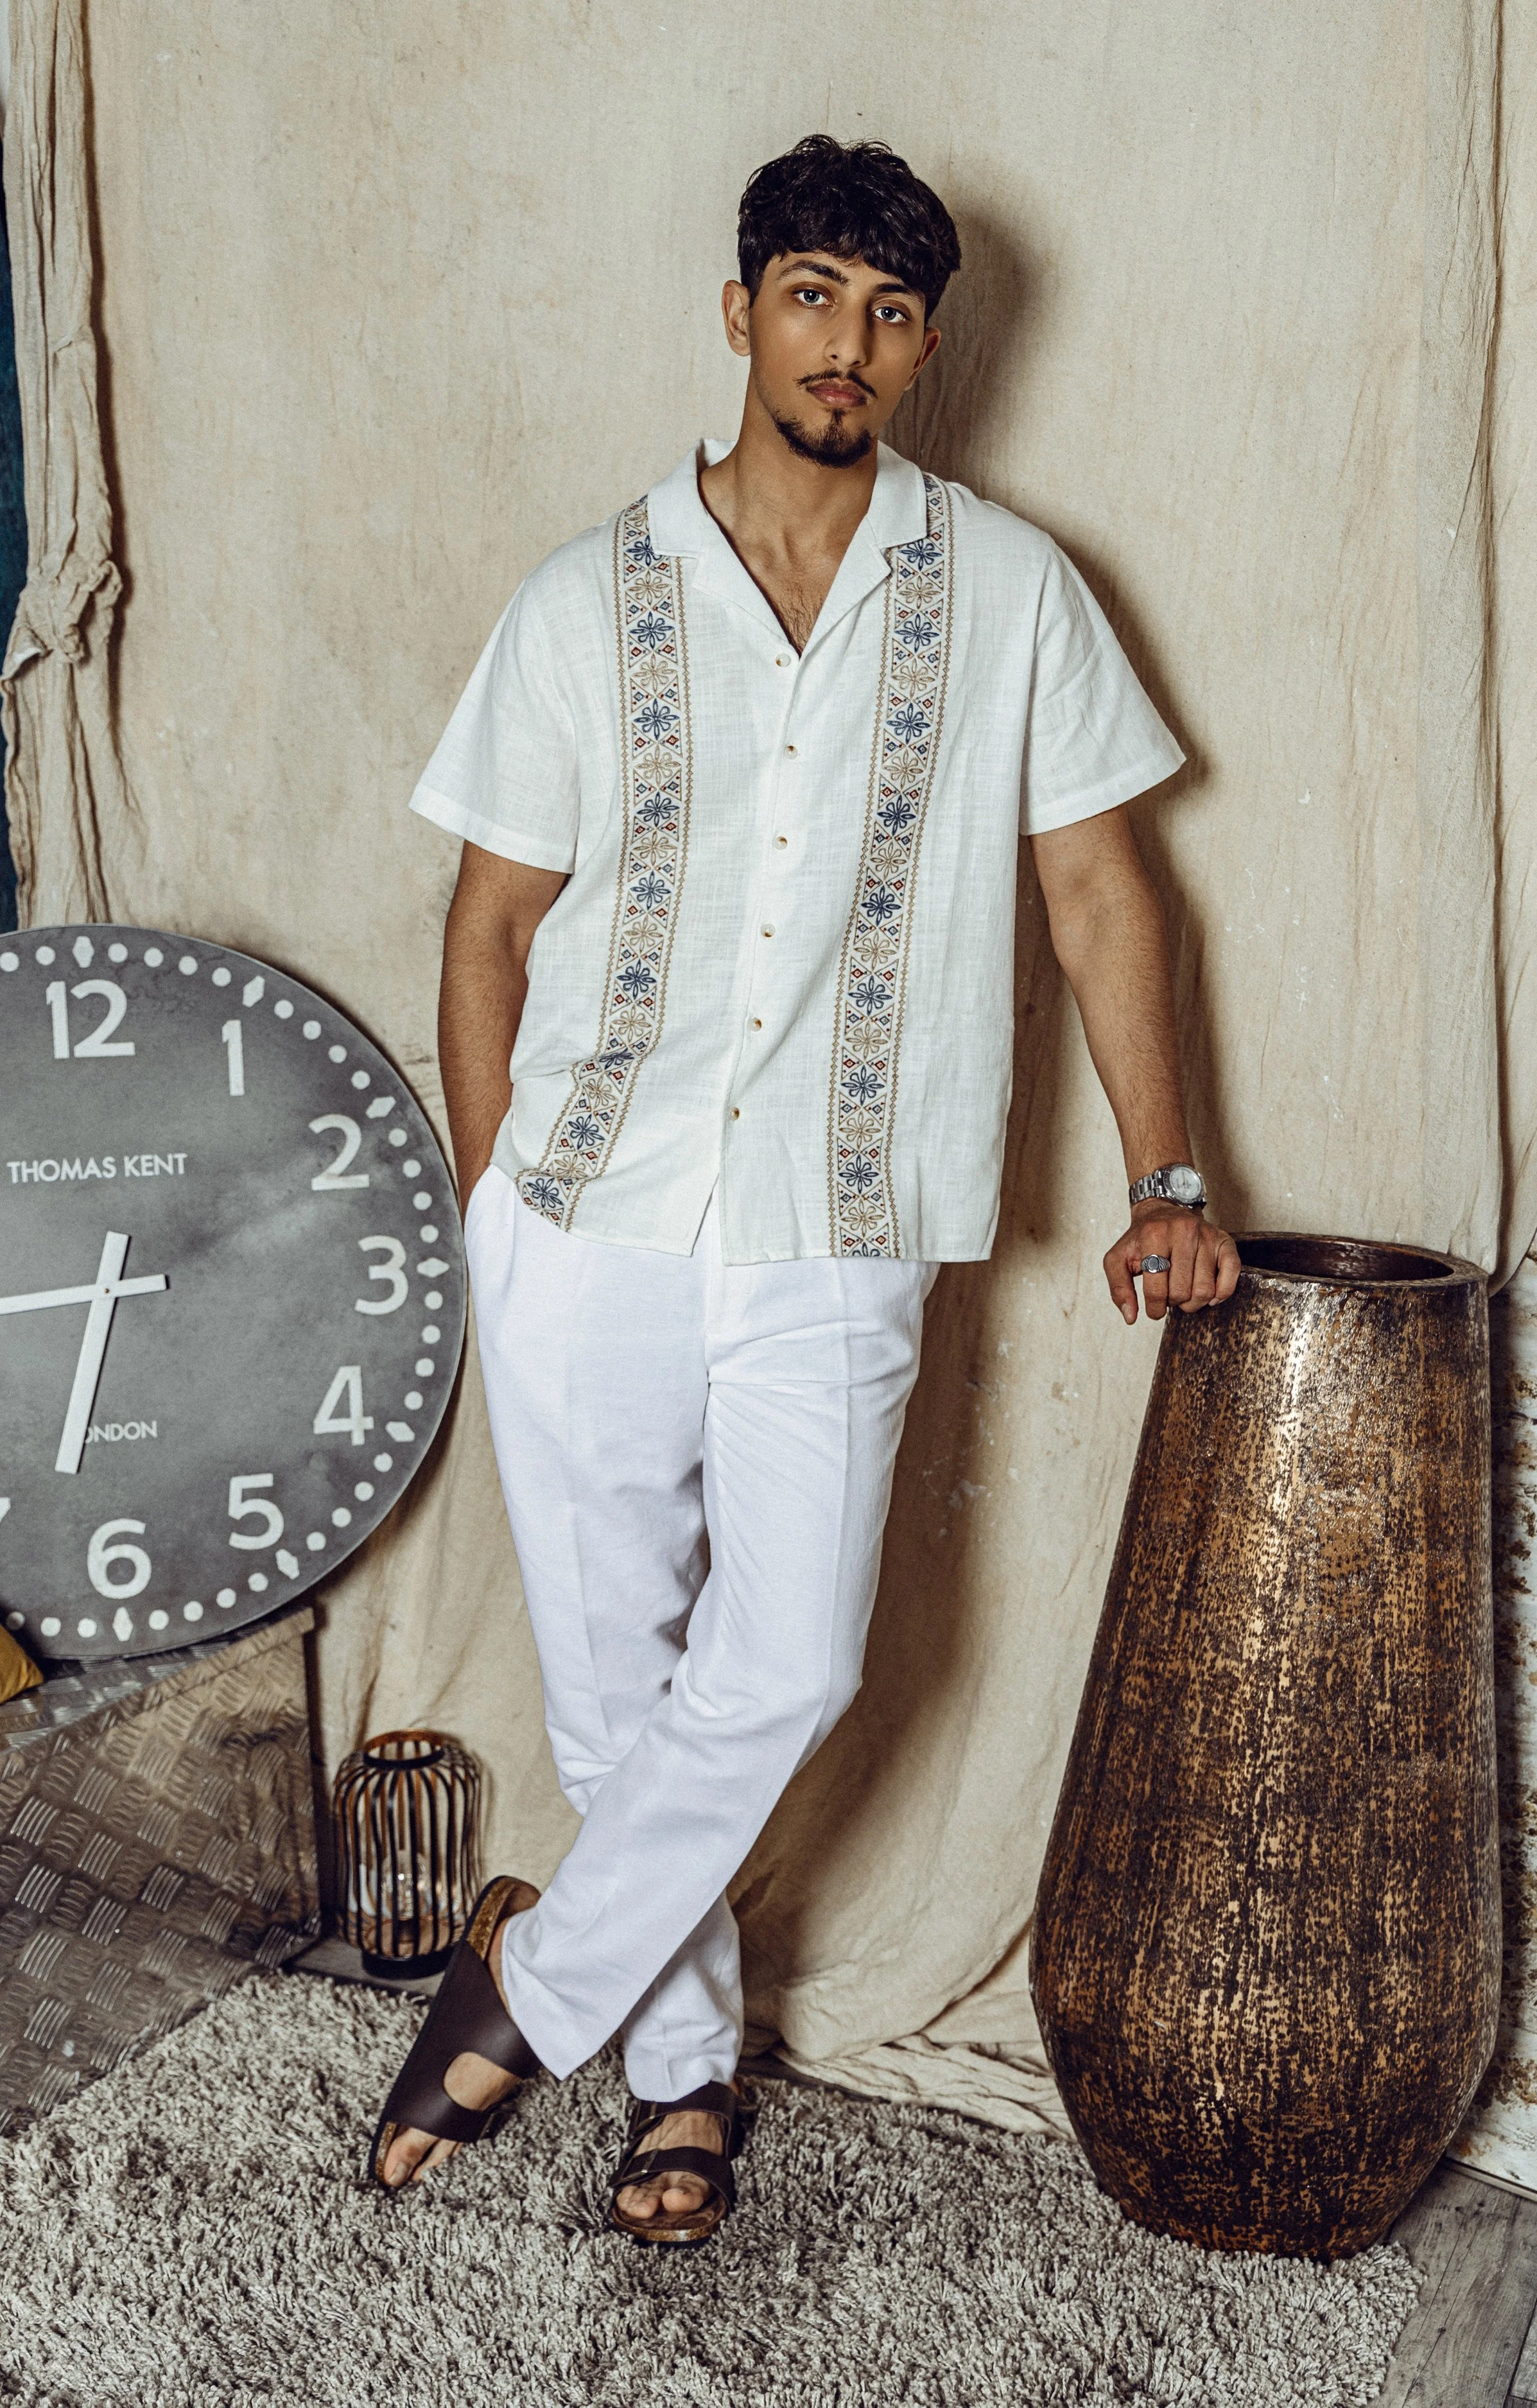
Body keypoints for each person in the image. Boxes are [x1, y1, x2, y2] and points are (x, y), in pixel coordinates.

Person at [372, 133, 1240, 2242]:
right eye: (811, 294)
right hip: (584, 1214)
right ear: (742, 306)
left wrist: (1170, 1165)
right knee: (610, 1683)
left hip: (843, 1215)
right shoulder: (588, 592)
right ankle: (679, 2078)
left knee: (787, 1664)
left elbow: (1099, 890)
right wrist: (500, 1214)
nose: (845, 343)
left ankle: (527, 1980)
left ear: (926, 344)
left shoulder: (1013, 590)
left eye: (890, 309)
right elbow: (488, 927)